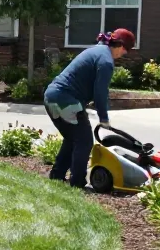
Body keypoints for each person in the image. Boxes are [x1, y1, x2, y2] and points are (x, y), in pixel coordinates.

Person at [43, 28, 134, 188]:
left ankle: (57, 176)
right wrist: (104, 118)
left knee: (73, 139)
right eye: (125, 51)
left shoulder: (97, 51)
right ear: (120, 46)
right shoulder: (106, 61)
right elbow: (100, 92)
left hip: (51, 96)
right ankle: (77, 183)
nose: (123, 55)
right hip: (66, 100)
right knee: (84, 141)